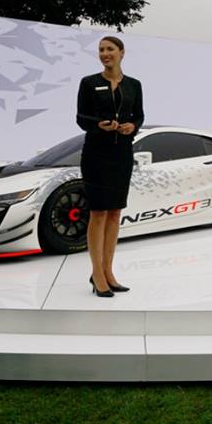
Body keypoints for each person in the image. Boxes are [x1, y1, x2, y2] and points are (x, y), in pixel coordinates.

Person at [75, 36, 144, 297]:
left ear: (121, 53)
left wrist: (132, 126)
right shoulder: (89, 83)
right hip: (96, 155)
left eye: (110, 49)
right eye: (101, 50)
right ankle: (97, 274)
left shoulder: (134, 85)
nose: (105, 53)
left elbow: (139, 116)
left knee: (115, 212)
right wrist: (98, 125)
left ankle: (108, 271)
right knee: (98, 213)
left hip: (121, 154)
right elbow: (81, 118)